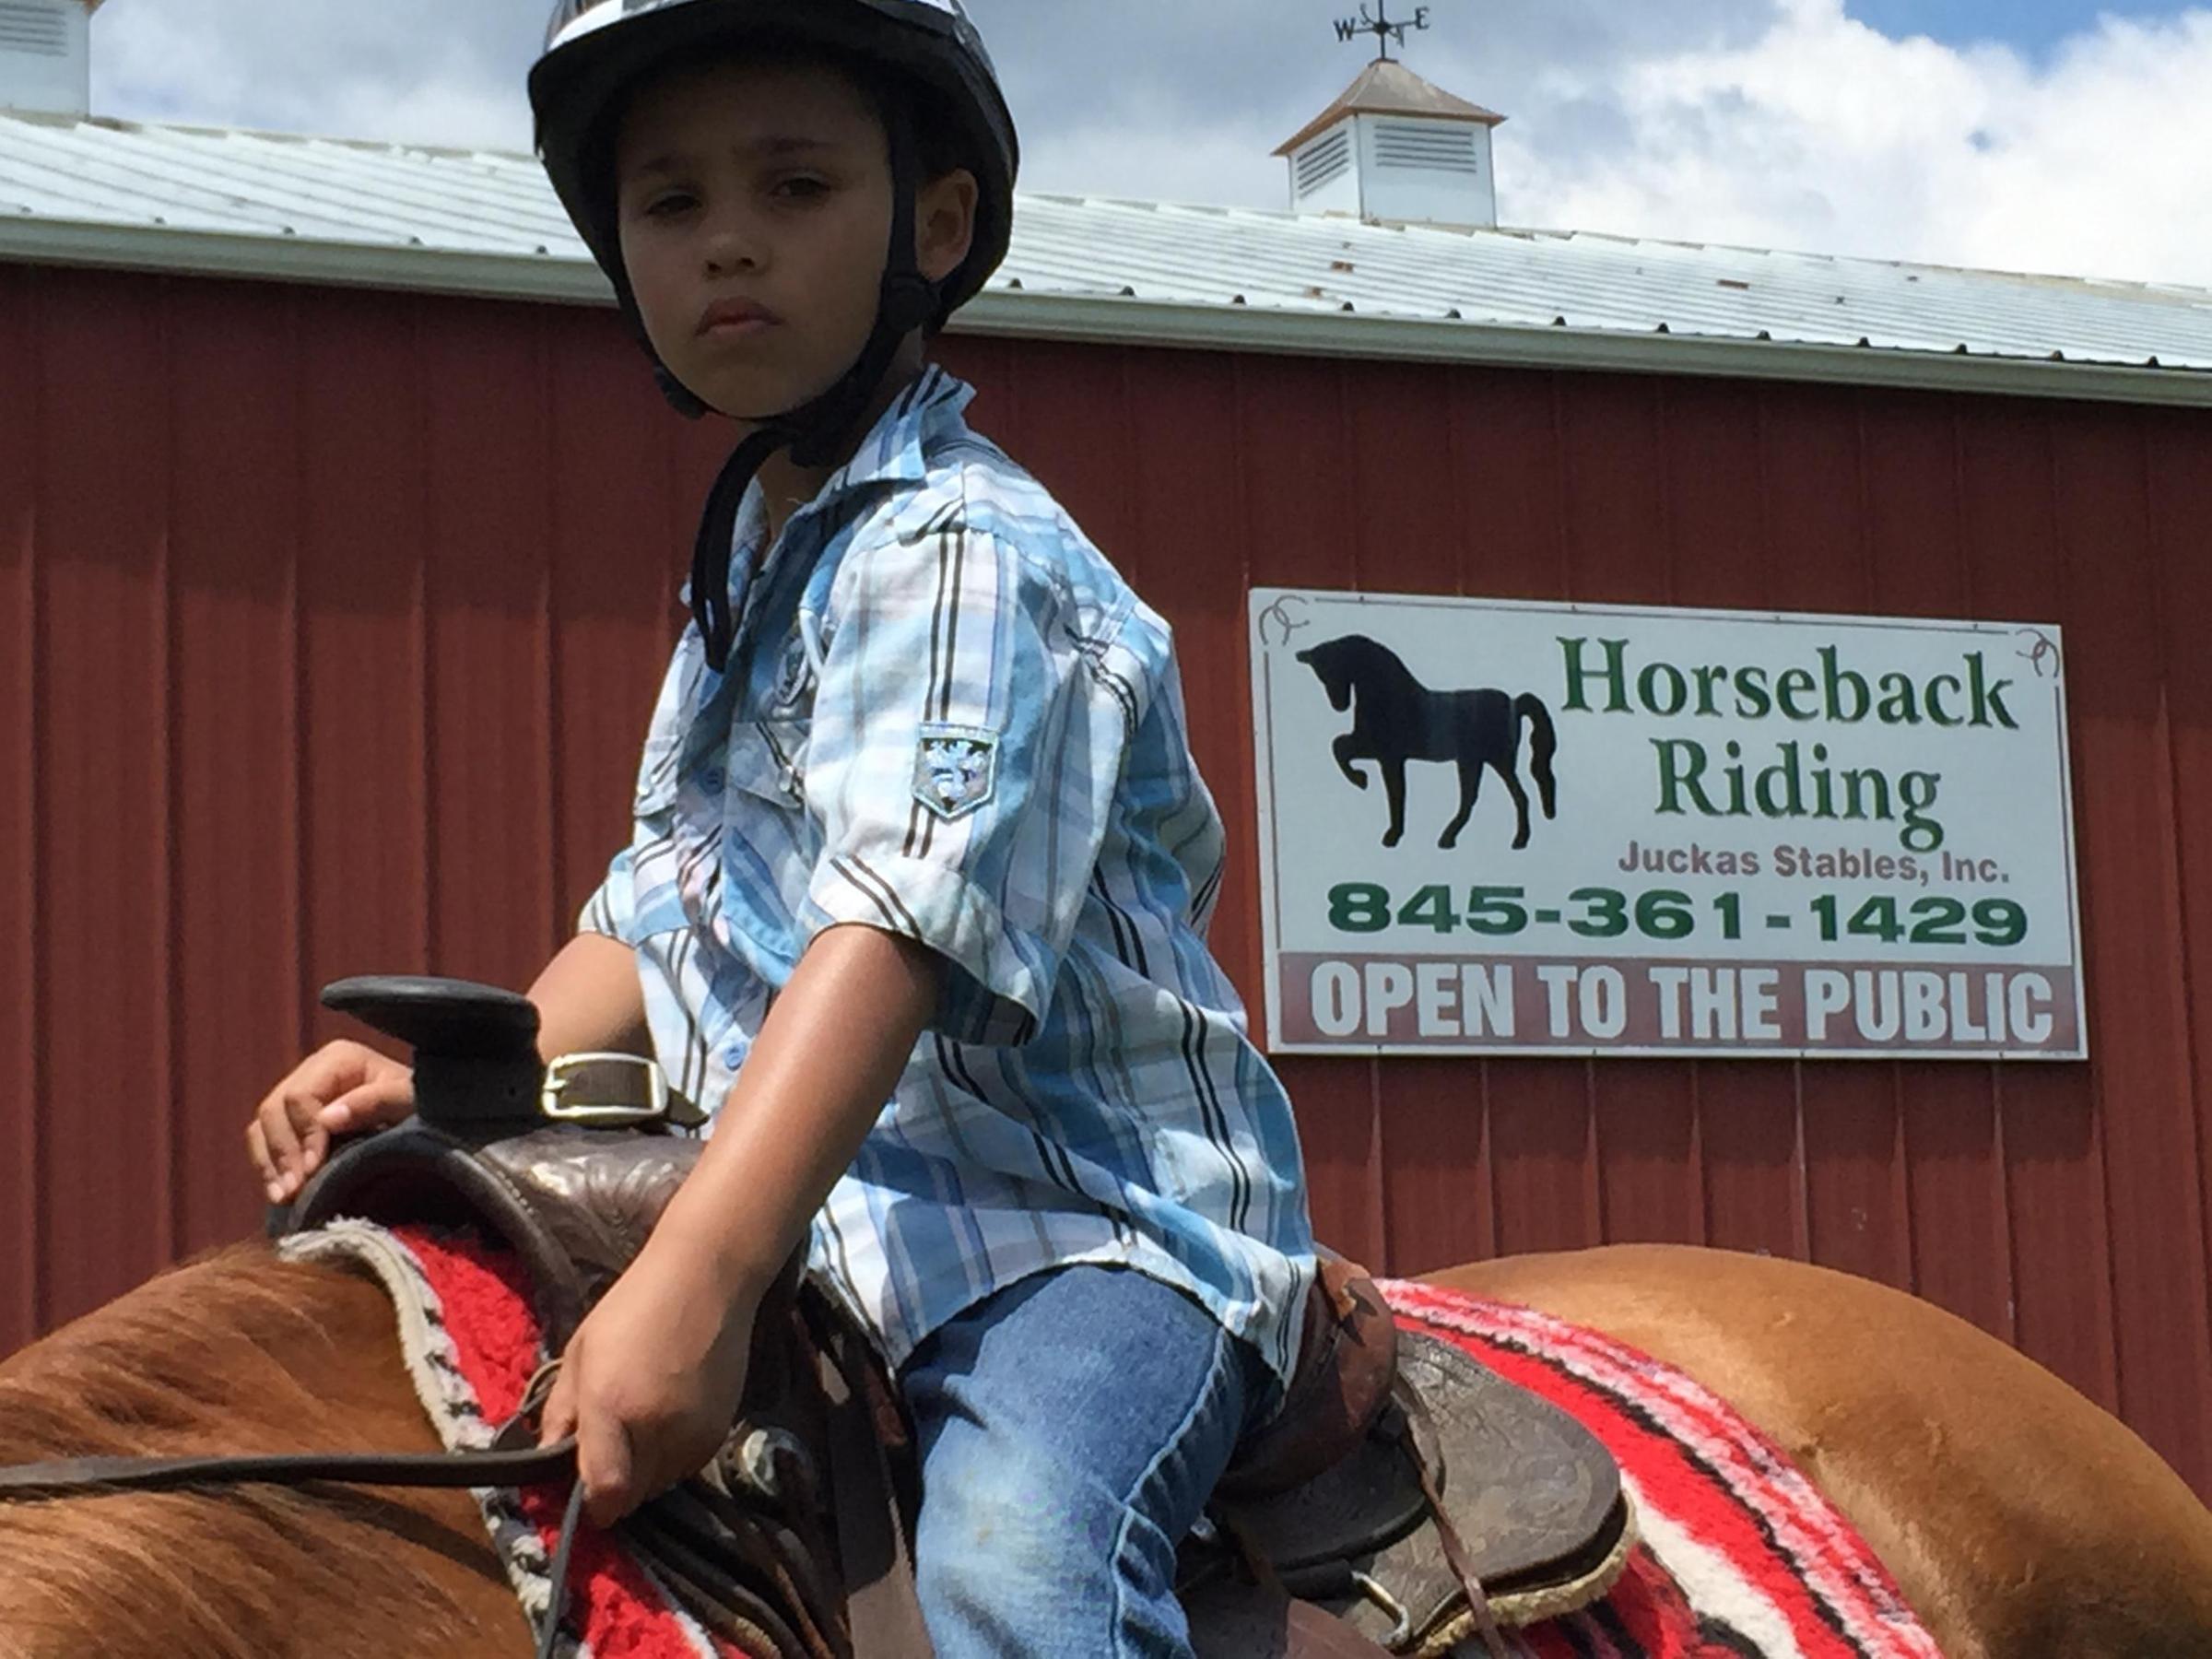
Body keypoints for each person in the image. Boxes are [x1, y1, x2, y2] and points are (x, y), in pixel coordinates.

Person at [244, 1, 1317, 1650]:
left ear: (935, 226)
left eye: (796, 187)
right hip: (822, 1206)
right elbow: (669, 898)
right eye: (670, 206)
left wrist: (701, 1276)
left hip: (1076, 1238)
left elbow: (892, 930)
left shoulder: (967, 551)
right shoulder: (758, 561)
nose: (727, 241)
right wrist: (492, 1070)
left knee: (1015, 1571)